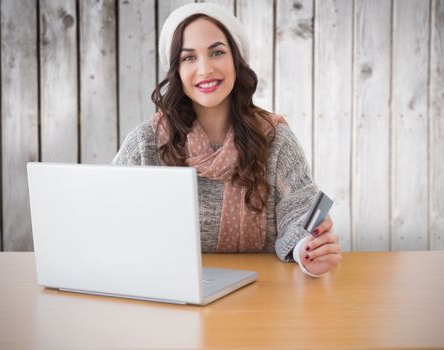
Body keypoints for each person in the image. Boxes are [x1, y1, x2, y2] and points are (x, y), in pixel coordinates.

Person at [112, 3, 341, 277]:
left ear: (236, 59)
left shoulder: (274, 137)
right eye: (189, 58)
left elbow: (299, 212)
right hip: (169, 292)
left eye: (217, 52)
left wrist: (309, 248)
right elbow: (110, 215)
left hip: (261, 295)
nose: (205, 69)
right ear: (176, 70)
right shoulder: (145, 142)